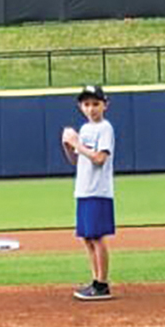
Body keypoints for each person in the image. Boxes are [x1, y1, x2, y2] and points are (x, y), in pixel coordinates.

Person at [61, 85, 116, 301]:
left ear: (105, 105)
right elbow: (77, 161)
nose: (91, 109)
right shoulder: (84, 129)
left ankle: (102, 283)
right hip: (83, 189)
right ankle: (95, 280)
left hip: (98, 190)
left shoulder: (105, 128)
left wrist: (77, 143)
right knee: (87, 238)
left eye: (95, 104)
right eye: (86, 104)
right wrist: (68, 146)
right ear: (80, 106)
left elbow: (100, 159)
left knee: (97, 236)